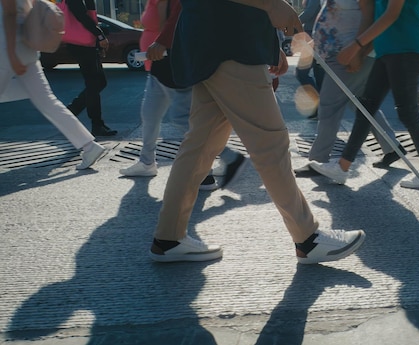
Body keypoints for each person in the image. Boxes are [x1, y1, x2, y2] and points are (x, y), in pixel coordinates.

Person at [146, 0, 365, 264]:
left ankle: (168, 238)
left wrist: (269, 44)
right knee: (269, 143)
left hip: (213, 42)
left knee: (200, 145)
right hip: (230, 44)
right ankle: (308, 238)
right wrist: (272, 5)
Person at [310, 0, 419, 190]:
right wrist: (362, 53)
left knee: (407, 112)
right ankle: (342, 167)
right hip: (385, 51)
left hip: (405, 50)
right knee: (366, 108)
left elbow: (391, 14)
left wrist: (356, 46)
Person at [119, 0, 245, 191]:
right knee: (150, 115)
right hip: (160, 67)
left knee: (182, 119)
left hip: (175, 65)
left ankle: (218, 165)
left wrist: (161, 42)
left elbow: (174, 22)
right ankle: (146, 163)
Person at [295, 0, 405, 174]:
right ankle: (392, 147)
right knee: (361, 104)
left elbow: (368, 15)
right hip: (341, 54)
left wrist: (358, 52)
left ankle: (318, 159)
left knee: (329, 105)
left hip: (347, 55)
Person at [1, 0, 106, 170]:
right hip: (27, 46)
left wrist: (12, 54)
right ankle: (89, 146)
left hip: (6, 48)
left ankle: (89, 146)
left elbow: (10, 14)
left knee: (44, 100)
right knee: (46, 101)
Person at [64, 0, 117, 137]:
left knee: (99, 82)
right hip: (82, 45)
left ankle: (74, 109)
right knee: (94, 83)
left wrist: (98, 42)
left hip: (87, 43)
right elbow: (81, 15)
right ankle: (96, 124)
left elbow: (90, 16)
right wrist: (99, 35)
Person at [295, 0, 324, 119]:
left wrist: (293, 21)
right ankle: (321, 109)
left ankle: (319, 106)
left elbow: (309, 12)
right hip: (317, 34)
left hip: (313, 36)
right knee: (319, 74)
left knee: (301, 72)